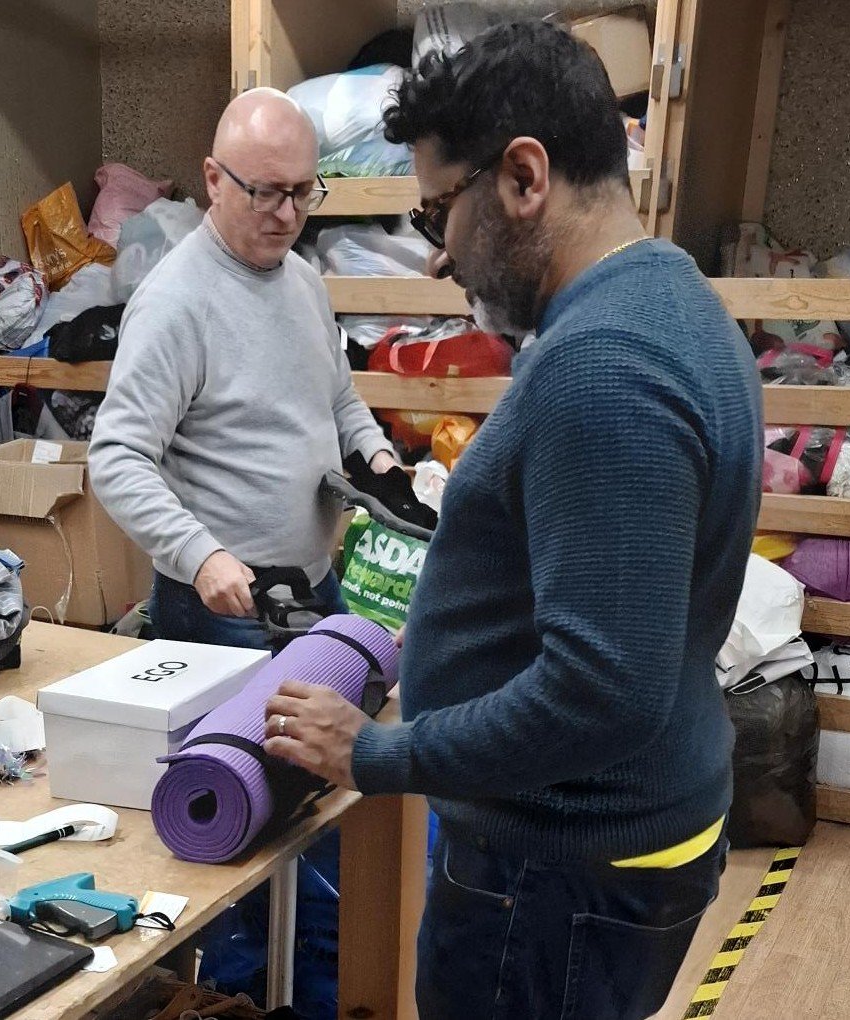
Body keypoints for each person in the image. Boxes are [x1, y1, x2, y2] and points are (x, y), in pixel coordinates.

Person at [259, 22, 763, 1020]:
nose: (439, 255)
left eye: (439, 209)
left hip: (562, 869)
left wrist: (377, 756)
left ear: (524, 176)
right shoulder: (666, 300)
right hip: (611, 840)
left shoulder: (605, 367)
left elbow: (600, 691)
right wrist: (460, 630)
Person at [89, 88, 396, 651]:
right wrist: (199, 556)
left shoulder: (302, 279)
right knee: (241, 741)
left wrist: (381, 465)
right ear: (213, 180)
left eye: (303, 193)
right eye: (265, 193)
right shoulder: (175, 302)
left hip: (315, 582)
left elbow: (338, 399)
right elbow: (116, 456)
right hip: (225, 605)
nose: (287, 216)